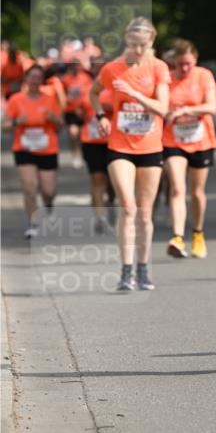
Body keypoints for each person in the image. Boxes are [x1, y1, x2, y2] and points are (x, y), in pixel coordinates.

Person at [89, 17, 170, 291]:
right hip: (119, 146)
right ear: (126, 41)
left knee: (145, 214)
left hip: (150, 146)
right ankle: (126, 271)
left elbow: (162, 108)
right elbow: (93, 93)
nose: (137, 50)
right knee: (128, 206)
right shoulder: (113, 68)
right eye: (133, 45)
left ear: (152, 41)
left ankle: (143, 268)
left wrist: (134, 94)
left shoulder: (158, 67)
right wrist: (101, 115)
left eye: (143, 45)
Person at [163, 39, 216, 258]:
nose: (184, 68)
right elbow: (159, 106)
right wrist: (168, 114)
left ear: (194, 60)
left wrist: (184, 110)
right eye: (180, 64)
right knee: (177, 187)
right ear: (173, 62)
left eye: (188, 63)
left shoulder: (203, 76)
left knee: (197, 192)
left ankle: (197, 233)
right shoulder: (166, 80)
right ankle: (177, 237)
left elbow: (212, 107)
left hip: (201, 140)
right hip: (173, 140)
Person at [2, 64, 63, 237]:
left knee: (48, 191)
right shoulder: (16, 99)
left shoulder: (50, 99)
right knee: (29, 187)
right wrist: (15, 123)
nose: (35, 81)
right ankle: (33, 223)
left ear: (42, 80)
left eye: (39, 77)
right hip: (24, 148)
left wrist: (53, 119)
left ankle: (49, 204)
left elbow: (61, 125)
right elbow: (4, 126)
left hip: (47, 149)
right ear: (26, 79)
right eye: (32, 77)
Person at [80, 59, 114, 233]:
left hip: (114, 140)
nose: (98, 69)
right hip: (91, 140)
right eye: (95, 67)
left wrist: (110, 107)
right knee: (97, 178)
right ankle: (100, 217)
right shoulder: (85, 87)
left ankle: (110, 201)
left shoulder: (115, 86)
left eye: (102, 67)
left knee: (112, 182)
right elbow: (76, 109)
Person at [61, 58, 93, 168]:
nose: (75, 68)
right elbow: (61, 95)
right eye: (73, 66)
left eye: (77, 65)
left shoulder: (86, 78)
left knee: (82, 134)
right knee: (73, 133)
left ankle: (83, 153)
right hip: (71, 111)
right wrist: (67, 99)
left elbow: (90, 92)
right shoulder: (65, 79)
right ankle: (75, 154)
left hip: (84, 111)